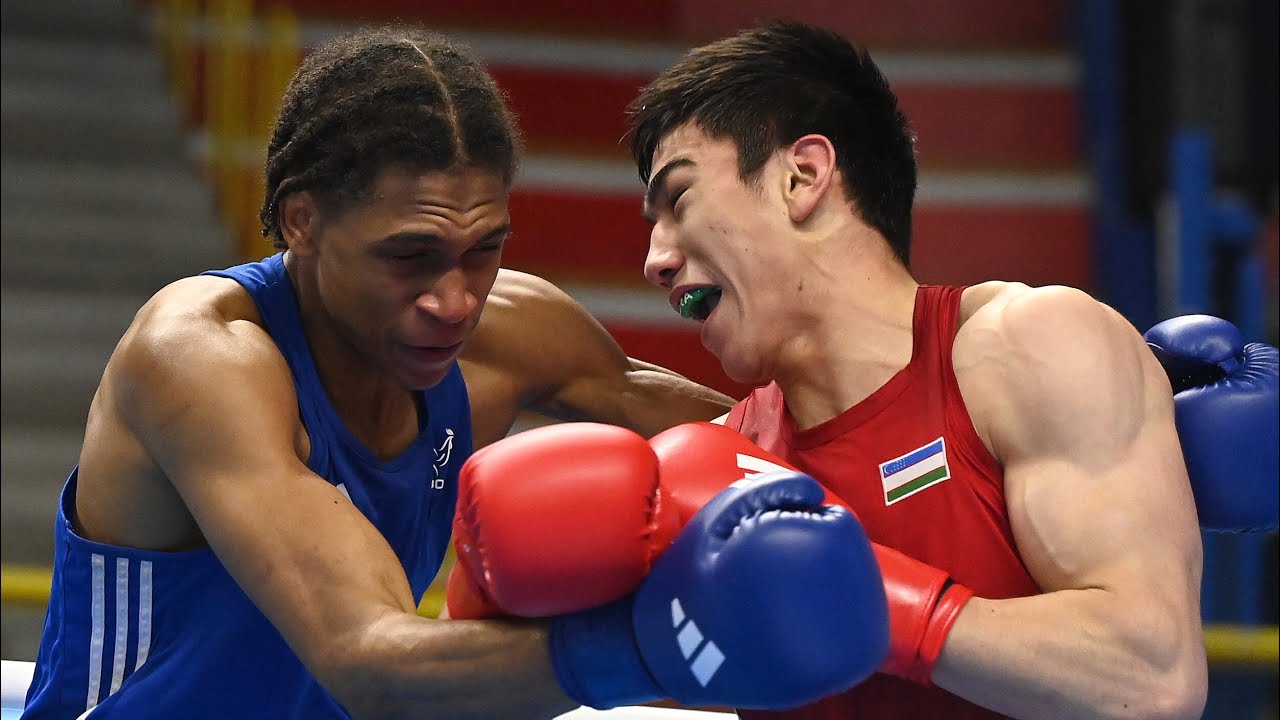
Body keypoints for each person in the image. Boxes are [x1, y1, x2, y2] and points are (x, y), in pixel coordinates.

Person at [19, 24, 892, 720]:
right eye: (412, 256)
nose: (455, 299)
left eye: (484, 251)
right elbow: (368, 661)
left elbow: (765, 451)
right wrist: (659, 638)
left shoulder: (512, 332)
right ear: (301, 221)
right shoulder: (201, 359)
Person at [621, 20, 1217, 720]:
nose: (655, 259)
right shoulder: (723, 468)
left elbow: (1153, 680)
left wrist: (876, 601)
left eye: (679, 199)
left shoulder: (1026, 351)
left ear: (801, 175)